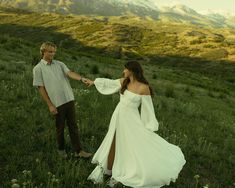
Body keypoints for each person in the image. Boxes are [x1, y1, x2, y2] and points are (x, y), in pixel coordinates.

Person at [84, 61, 186, 187]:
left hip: (131, 120)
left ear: (132, 70)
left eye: (125, 69)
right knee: (113, 141)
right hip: (118, 116)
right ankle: (108, 170)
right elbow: (109, 83)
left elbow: (148, 109)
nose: (123, 71)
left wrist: (149, 127)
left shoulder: (143, 88)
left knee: (128, 145)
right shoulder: (124, 81)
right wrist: (94, 82)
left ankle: (123, 170)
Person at [33, 41, 92, 158]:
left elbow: (69, 73)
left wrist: (81, 79)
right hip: (57, 102)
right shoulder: (38, 68)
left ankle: (79, 151)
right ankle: (61, 150)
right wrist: (50, 105)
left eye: (54, 52)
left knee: (73, 126)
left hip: (69, 99)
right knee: (60, 127)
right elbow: (41, 88)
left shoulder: (59, 64)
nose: (52, 54)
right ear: (43, 52)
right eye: (50, 52)